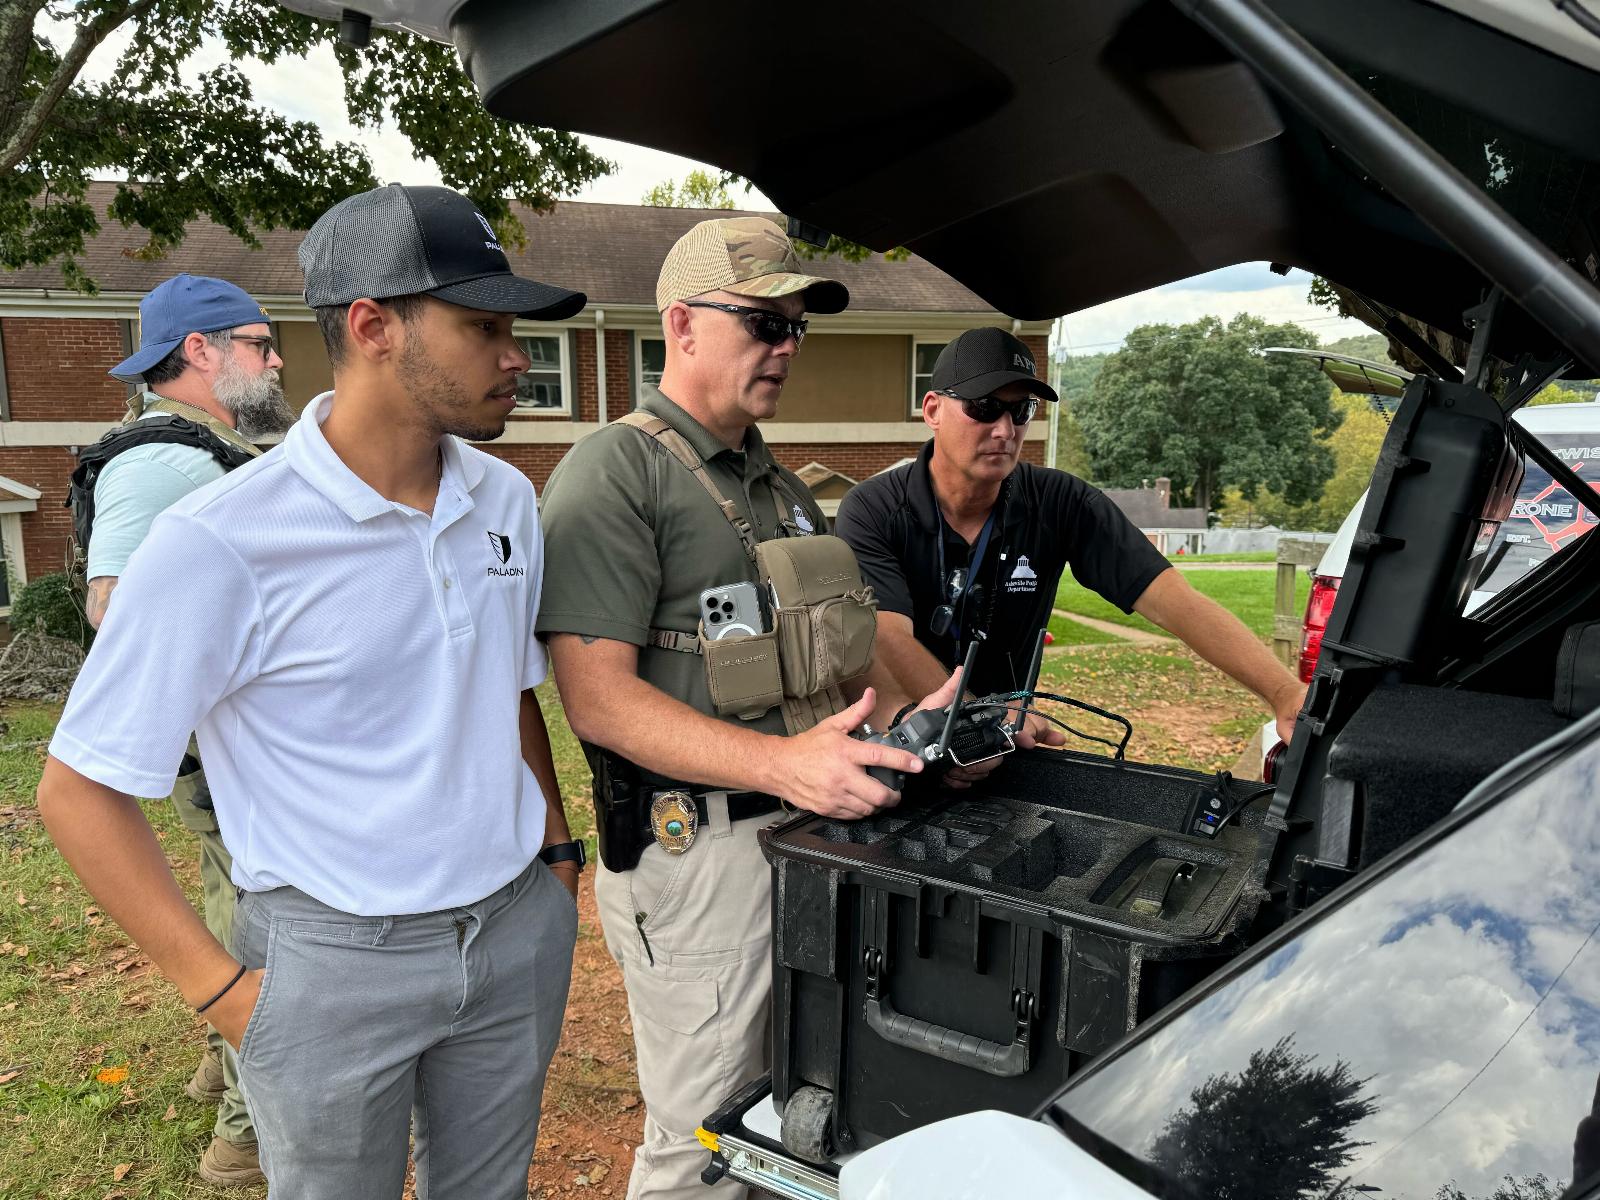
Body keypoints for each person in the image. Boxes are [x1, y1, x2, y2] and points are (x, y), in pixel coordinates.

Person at [38, 183, 586, 1200]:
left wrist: (556, 856)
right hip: (331, 961)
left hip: (514, 928)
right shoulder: (222, 543)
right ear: (373, 327)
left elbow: (506, 686)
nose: (517, 356)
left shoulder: (506, 498)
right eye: (483, 327)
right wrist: (229, 994)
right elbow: (76, 790)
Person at [537, 215, 949, 1200]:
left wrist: (925, 726)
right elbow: (596, 700)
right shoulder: (616, 473)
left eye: (796, 328)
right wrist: (781, 765)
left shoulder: (779, 485)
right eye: (763, 322)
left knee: (800, 1114)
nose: (785, 348)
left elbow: (825, 665)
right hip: (702, 861)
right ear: (681, 325)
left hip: (809, 836)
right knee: (706, 1144)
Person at [835, 326, 1308, 766]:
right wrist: (977, 725)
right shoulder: (873, 509)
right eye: (983, 407)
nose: (1005, 429)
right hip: (897, 741)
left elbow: (1172, 600)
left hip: (1004, 743)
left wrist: (1284, 692)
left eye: (1020, 411)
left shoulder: (1062, 502)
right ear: (933, 410)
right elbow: (888, 636)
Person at [82, 272, 291, 1185]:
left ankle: (219, 1069)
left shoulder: (199, 448)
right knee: (259, 920)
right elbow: (111, 602)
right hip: (225, 751)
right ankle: (247, 1132)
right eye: (258, 342)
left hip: (213, 748)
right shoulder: (161, 460)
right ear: (199, 353)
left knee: (227, 890)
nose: (276, 357)